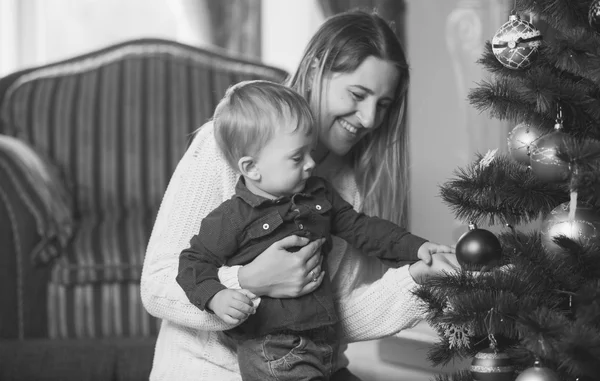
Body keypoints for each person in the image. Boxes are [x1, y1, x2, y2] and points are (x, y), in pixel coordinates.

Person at [141, 9, 459, 381]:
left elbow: (337, 316)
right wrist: (247, 282)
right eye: (358, 94)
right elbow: (157, 286)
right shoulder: (225, 147)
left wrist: (420, 279)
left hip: (312, 366)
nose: (371, 119)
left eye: (383, 104)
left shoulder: (346, 186)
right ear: (315, 71)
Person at [175, 80, 447, 380]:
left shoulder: (319, 194)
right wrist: (215, 296)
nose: (310, 163)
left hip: (324, 343)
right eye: (297, 157)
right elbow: (193, 262)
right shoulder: (231, 217)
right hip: (274, 350)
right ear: (252, 168)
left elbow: (363, 229)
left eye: (310, 151)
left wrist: (417, 247)